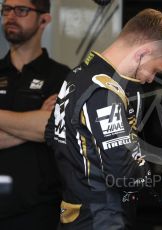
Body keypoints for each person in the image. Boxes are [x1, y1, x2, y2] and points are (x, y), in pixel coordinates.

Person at [45, 8, 162, 230]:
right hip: (103, 218)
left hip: (76, 212)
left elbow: (51, 135)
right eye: (154, 70)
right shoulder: (104, 91)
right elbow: (123, 173)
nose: (150, 79)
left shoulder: (77, 74)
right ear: (143, 52)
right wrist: (144, 170)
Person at [0, 0, 70, 229]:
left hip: (39, 211)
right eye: (6, 9)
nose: (10, 16)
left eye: (21, 10)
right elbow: (42, 127)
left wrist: (43, 125)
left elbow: (50, 128)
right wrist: (35, 122)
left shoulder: (61, 77)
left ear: (44, 19)